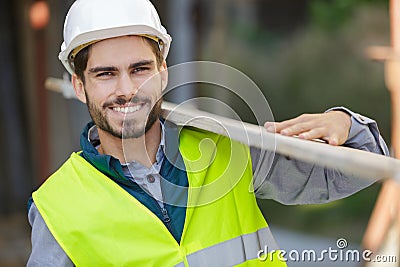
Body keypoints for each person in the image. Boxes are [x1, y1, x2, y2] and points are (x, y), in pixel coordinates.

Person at [27, 0, 389, 266]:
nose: (127, 89)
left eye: (140, 69)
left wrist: (346, 124)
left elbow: (363, 169)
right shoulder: (57, 210)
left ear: (163, 72)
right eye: (105, 73)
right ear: (78, 85)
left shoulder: (227, 150)